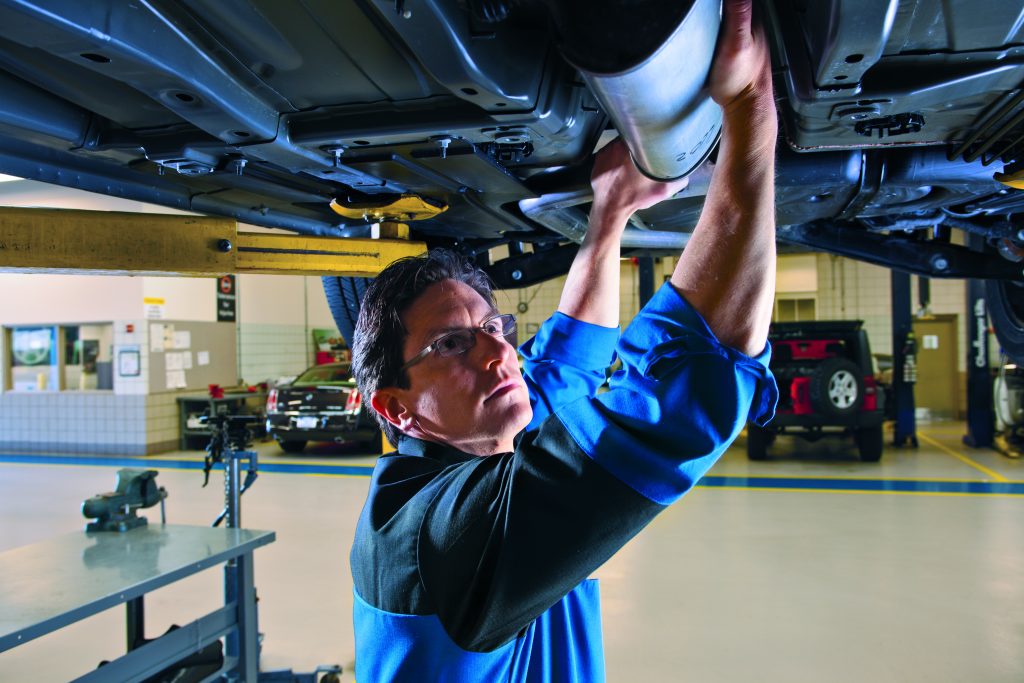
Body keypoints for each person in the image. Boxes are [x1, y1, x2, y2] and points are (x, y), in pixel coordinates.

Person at [348, 0, 778, 679]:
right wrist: (752, 108)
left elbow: (564, 368)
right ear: (395, 408)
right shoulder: (445, 535)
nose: (500, 353)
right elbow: (676, 399)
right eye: (452, 345)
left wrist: (610, 212)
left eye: (493, 328)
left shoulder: (462, 451)